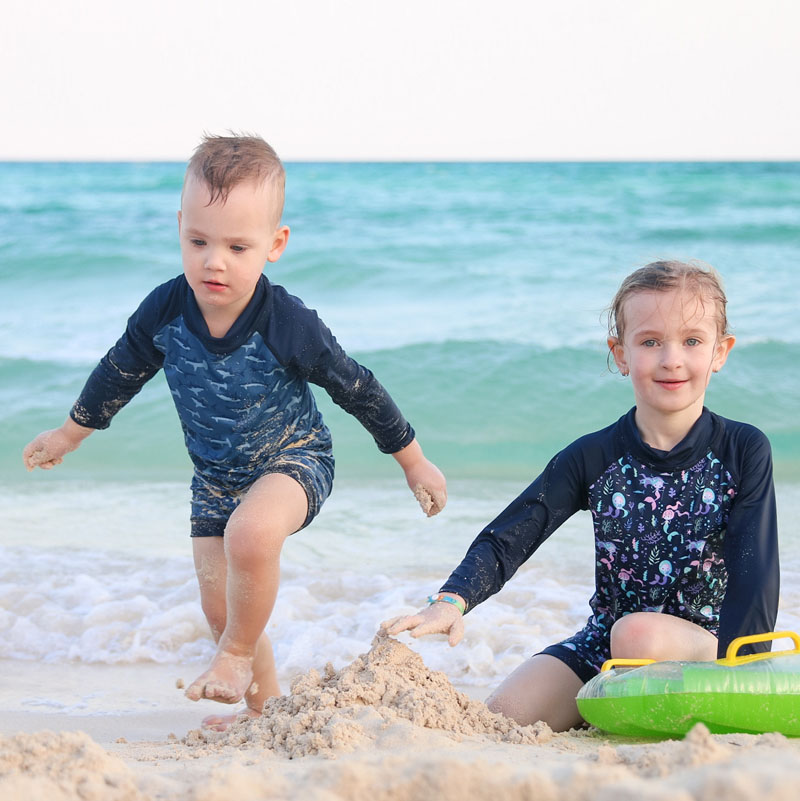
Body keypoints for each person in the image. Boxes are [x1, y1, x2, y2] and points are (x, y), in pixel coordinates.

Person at [23, 133, 447, 730]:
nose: (213, 261)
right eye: (198, 241)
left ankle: (238, 658)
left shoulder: (288, 323)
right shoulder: (165, 310)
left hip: (294, 460)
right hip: (215, 479)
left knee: (251, 537)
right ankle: (262, 707)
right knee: (220, 607)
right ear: (179, 228)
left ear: (274, 245)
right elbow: (119, 370)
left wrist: (413, 460)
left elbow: (357, 386)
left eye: (237, 246)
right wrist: (71, 433)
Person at [384, 260, 778, 732]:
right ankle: (620, 703)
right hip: (606, 647)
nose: (672, 358)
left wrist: (748, 669)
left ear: (720, 351)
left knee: (638, 632)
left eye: (692, 341)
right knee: (502, 719)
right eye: (650, 341)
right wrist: (451, 601)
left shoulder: (743, 449)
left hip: (714, 646)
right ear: (621, 354)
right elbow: (513, 534)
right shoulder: (592, 457)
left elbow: (754, 567)